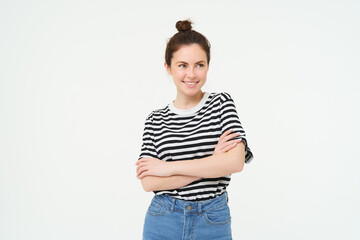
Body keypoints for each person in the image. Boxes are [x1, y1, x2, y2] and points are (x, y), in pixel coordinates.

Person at [136, 19, 254, 240]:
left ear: (208, 66)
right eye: (182, 65)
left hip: (212, 219)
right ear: (168, 67)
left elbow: (234, 162)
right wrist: (212, 162)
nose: (191, 74)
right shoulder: (155, 119)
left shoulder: (221, 103)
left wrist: (167, 168)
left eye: (199, 64)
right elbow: (149, 182)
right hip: (163, 218)